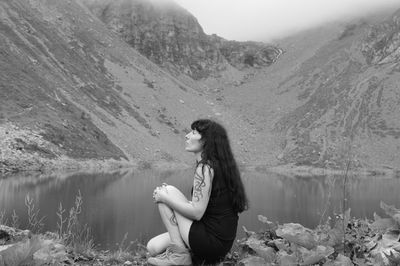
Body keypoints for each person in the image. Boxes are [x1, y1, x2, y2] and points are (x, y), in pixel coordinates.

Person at [146, 119, 248, 265]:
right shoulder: (218, 165)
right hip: (220, 244)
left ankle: (180, 256)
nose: (187, 136)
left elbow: (197, 213)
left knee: (166, 192)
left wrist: (164, 198)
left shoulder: (205, 167)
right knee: (153, 247)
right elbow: (207, 208)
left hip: (210, 241)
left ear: (206, 140)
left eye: (193, 132)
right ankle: (187, 252)